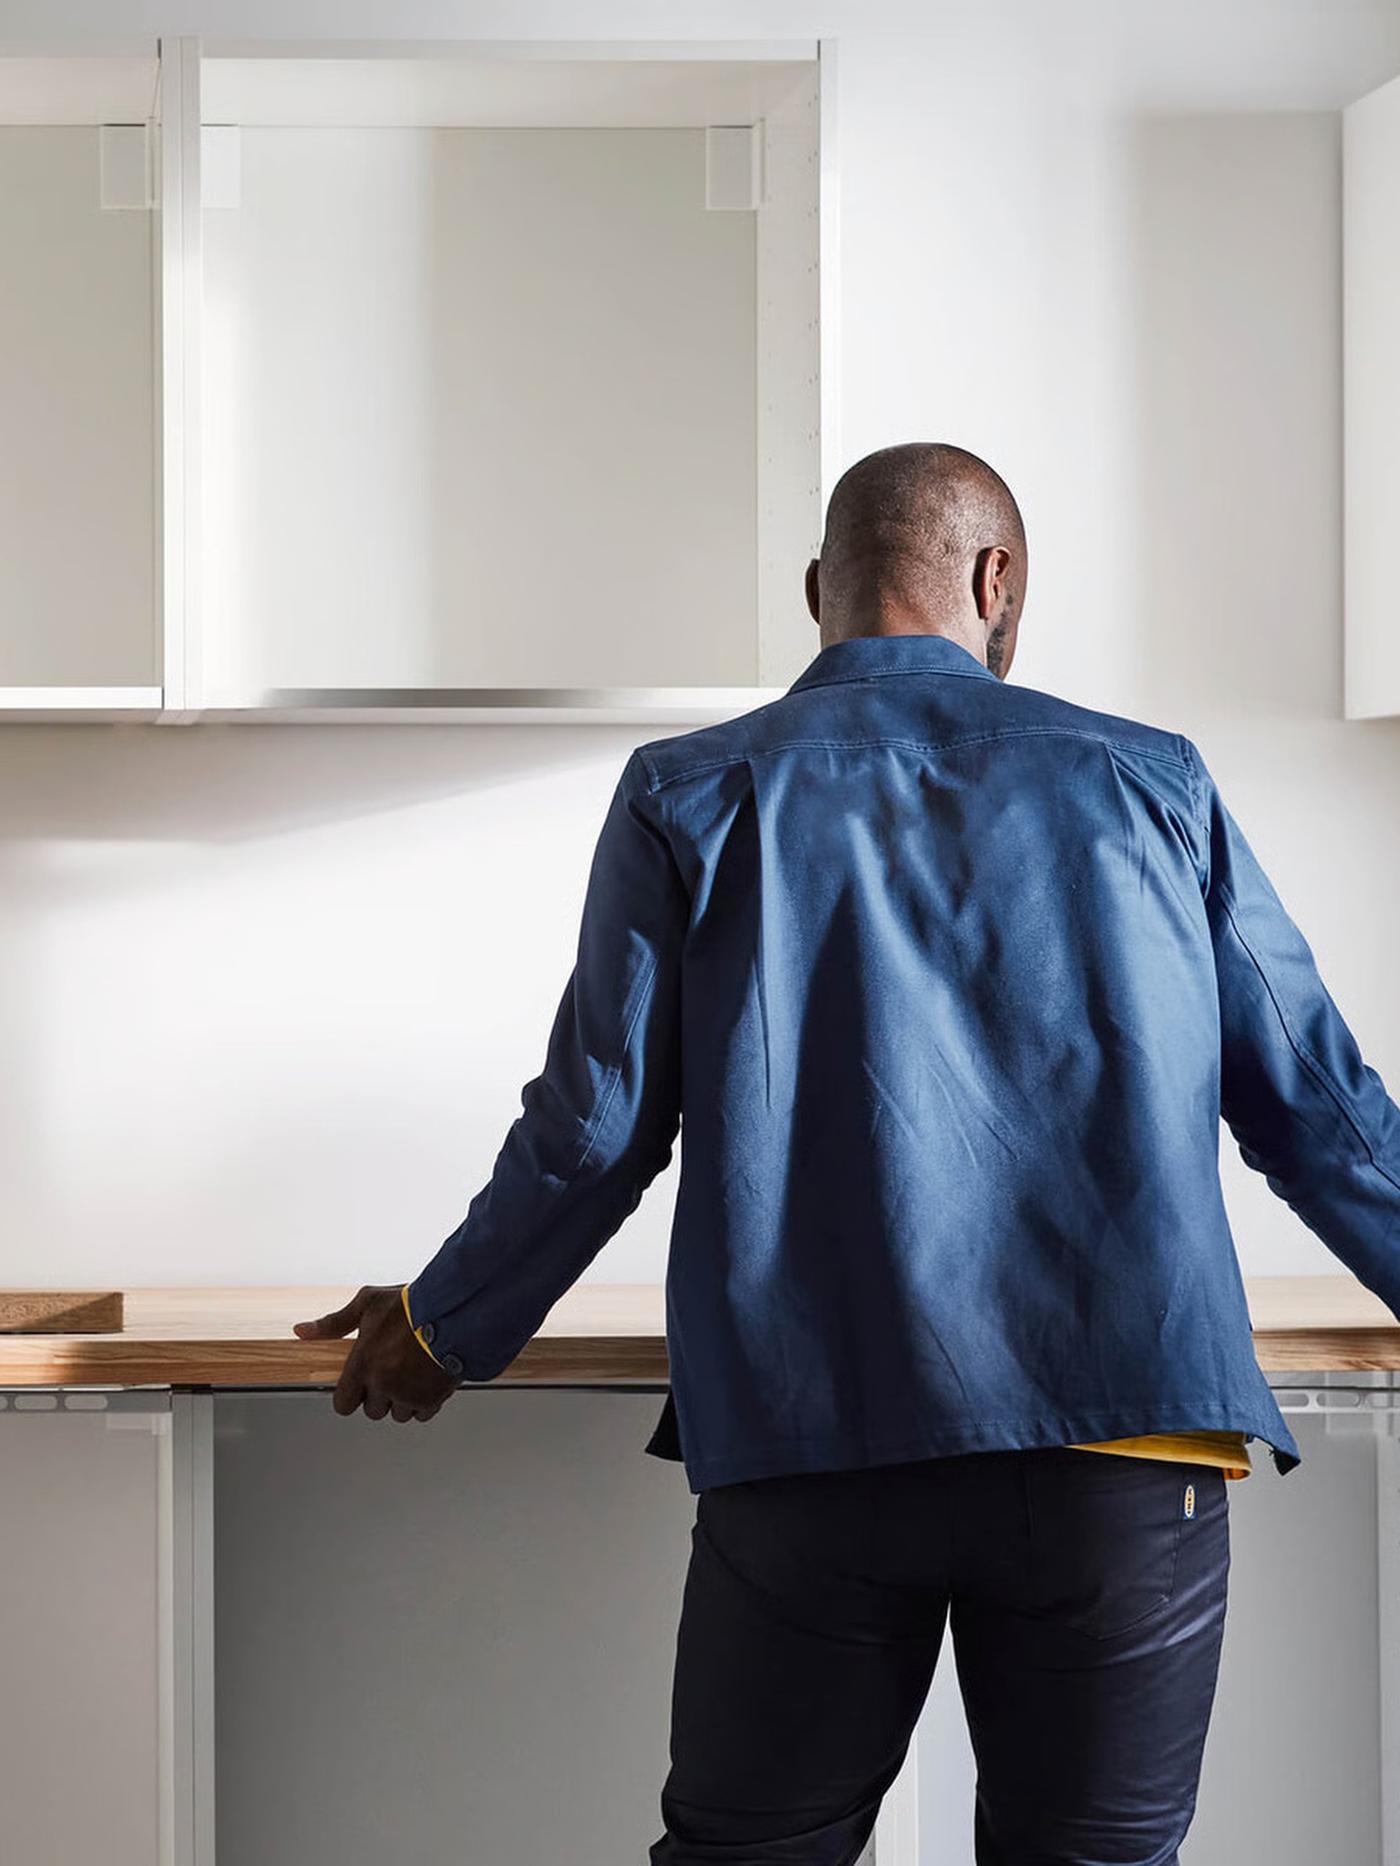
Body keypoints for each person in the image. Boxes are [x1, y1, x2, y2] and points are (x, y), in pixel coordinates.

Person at [295, 443, 1400, 1865]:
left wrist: (441, 1330)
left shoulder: (685, 795)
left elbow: (593, 1128)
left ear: (821, 591)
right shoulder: (1153, 785)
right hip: (1122, 1443)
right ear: (999, 581)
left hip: (816, 1448)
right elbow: (1322, 1106)